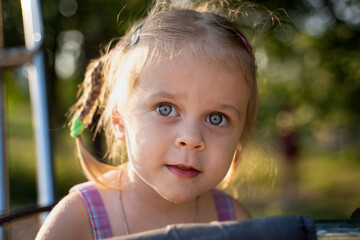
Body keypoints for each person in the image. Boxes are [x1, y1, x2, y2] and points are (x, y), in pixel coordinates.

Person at [36, 0, 258, 239]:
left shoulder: (234, 222)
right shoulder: (78, 219)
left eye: (216, 118)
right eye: (166, 109)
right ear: (120, 121)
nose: (191, 139)